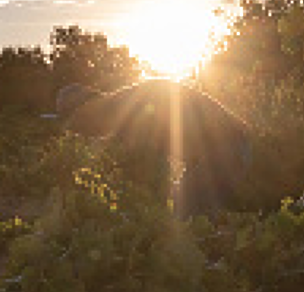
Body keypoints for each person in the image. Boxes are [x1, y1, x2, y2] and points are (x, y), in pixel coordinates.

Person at [56, 77, 256, 217]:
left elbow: (148, 173)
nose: (86, 134)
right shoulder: (120, 109)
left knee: (183, 214)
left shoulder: (127, 112)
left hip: (230, 147)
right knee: (185, 209)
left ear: (89, 107)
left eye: (81, 127)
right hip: (226, 147)